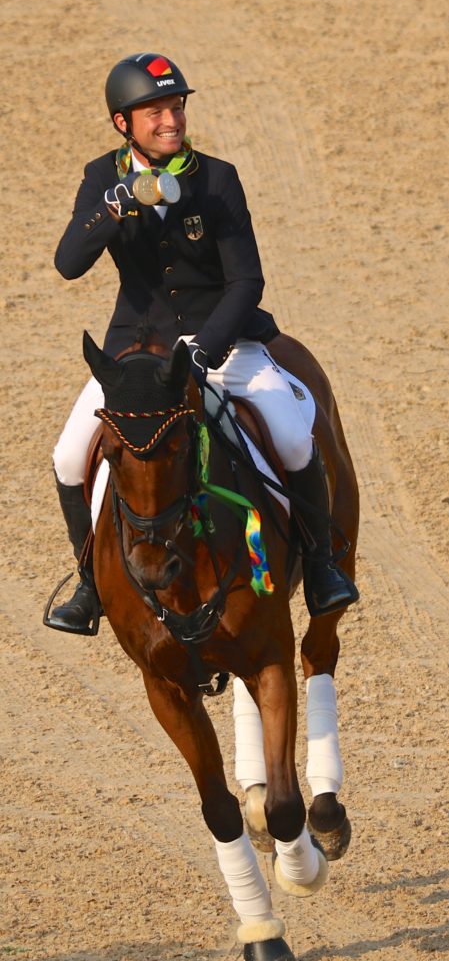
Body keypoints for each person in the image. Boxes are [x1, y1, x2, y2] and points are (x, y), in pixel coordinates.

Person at [48, 51, 358, 635]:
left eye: (176, 105)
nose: (171, 119)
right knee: (68, 456)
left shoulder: (216, 178)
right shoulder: (99, 178)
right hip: (137, 352)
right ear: (124, 123)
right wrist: (116, 204)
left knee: (293, 437)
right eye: (155, 111)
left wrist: (206, 349)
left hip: (224, 342)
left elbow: (247, 281)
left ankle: (319, 568)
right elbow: (68, 263)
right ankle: (90, 586)